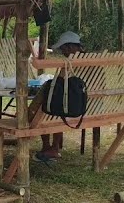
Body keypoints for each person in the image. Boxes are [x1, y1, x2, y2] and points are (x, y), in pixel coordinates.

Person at [30, 31, 87, 163]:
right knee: (56, 105)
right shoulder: (94, 60)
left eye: (63, 49)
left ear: (69, 47)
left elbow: (60, 82)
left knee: (49, 108)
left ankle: (51, 147)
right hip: (92, 106)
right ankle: (51, 147)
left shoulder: (70, 63)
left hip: (75, 108)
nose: (62, 52)